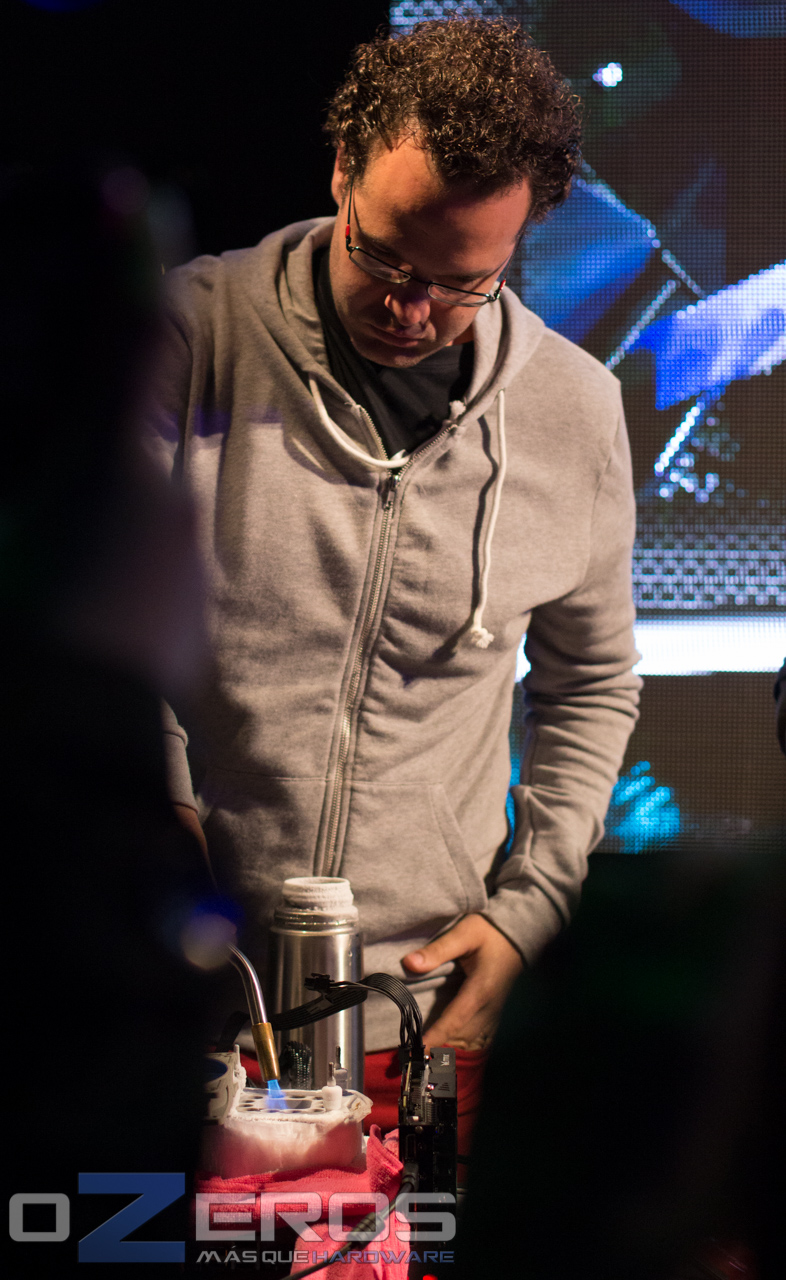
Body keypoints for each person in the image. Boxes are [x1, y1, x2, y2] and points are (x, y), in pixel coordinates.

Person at [148, 17, 641, 1141]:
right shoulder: (189, 337)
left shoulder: (574, 411)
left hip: (416, 1024)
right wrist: (155, 813)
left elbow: (592, 682)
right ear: (341, 172)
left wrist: (527, 912)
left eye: (463, 283)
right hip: (175, 1001)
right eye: (384, 257)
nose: (410, 310)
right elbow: (93, 616)